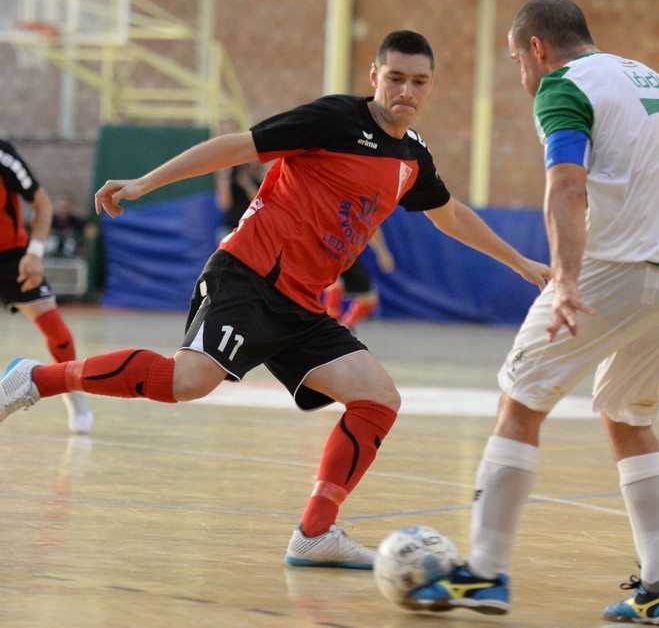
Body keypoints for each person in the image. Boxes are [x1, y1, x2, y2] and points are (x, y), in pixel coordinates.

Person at [0, 31, 549, 568]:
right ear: (375, 76)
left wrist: (520, 262)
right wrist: (146, 182)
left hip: (303, 305)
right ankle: (35, 379)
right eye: (397, 78)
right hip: (249, 274)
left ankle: (315, 532)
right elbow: (239, 146)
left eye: (419, 82)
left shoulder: (413, 158)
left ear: (431, 88)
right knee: (187, 382)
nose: (406, 91)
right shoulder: (334, 119)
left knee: (378, 399)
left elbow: (449, 214)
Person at [405, 0, 659, 622]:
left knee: (520, 400)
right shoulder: (646, 77)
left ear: (536, 49)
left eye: (518, 59)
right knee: (626, 412)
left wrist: (568, 279)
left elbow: (565, 185)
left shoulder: (563, 87)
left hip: (613, 268)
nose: (522, 74)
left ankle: (484, 574)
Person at [0, 140, 93, 434]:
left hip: (12, 258)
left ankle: (74, 392)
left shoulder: (5, 159)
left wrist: (35, 253)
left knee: (56, 330)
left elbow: (43, 203)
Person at [323, 228, 394, 330]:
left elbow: (372, 226)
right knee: (334, 282)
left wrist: (382, 252)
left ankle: (345, 327)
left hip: (347, 249)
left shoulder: (367, 214)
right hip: (326, 243)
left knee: (370, 299)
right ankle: (329, 327)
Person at [215, 161, 263, 242]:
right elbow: (224, 206)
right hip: (231, 227)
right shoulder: (229, 184)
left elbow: (259, 204)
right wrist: (224, 178)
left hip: (253, 227)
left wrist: (246, 182)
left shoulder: (259, 181)